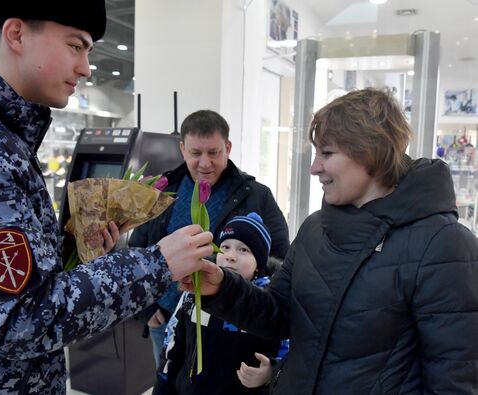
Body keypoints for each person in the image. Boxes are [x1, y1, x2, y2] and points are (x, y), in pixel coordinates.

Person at [0, 1, 214, 393]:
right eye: (75, 46)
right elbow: (19, 320)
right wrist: (158, 264)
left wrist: (64, 248)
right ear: (16, 34)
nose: (85, 67)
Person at [183, 88, 478, 394]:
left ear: (370, 154)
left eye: (327, 153)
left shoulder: (444, 245)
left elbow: (454, 379)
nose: (314, 168)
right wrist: (220, 287)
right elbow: (278, 314)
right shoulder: (315, 228)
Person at [128, 109, 290, 366]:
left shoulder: (257, 196)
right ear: (182, 149)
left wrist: (242, 279)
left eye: (213, 153)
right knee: (169, 382)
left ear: (227, 147)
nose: (205, 163)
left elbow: (281, 261)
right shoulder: (162, 191)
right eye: (195, 153)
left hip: (231, 326)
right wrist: (147, 308)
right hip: (167, 317)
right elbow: (136, 252)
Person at [152, 213, 285, 395]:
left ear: (258, 264)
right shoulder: (195, 292)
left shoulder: (268, 303)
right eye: (225, 247)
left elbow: (288, 350)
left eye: (243, 250)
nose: (230, 256)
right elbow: (173, 342)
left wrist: (271, 372)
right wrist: (164, 385)